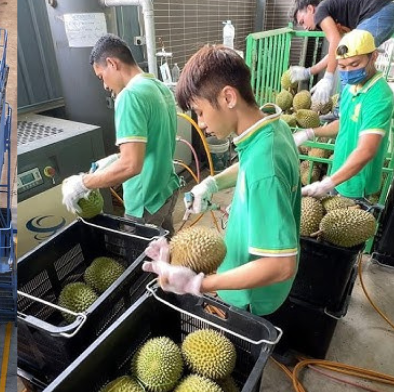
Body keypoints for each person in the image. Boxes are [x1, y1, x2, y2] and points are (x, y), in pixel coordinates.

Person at [143, 45, 301, 316]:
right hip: (243, 268)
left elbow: (280, 265)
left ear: (228, 97)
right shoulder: (274, 128)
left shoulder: (266, 166)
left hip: (252, 296)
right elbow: (250, 166)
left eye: (200, 111)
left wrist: (200, 283)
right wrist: (212, 183)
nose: (200, 123)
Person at [61, 34, 181, 236]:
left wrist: (82, 184)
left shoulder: (129, 96)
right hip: (166, 190)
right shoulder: (160, 88)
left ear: (111, 63)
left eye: (101, 77)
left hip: (145, 202)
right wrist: (113, 160)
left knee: (140, 263)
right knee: (166, 252)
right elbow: (154, 143)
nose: (105, 86)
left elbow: (131, 165)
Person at [296, 30, 393, 199]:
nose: (348, 71)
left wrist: (328, 182)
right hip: (340, 172)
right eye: (342, 66)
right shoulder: (350, 87)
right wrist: (311, 132)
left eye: (355, 65)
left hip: (358, 185)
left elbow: (367, 150)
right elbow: (344, 122)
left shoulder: (379, 96)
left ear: (374, 57)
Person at [289, 0, 394, 106]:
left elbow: (336, 42)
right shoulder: (332, 15)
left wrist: (328, 77)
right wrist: (309, 72)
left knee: (349, 61)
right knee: (350, 60)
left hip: (380, 12)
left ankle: (341, 112)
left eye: (302, 21)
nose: (305, 27)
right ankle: (347, 109)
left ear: (310, 9)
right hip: (384, 13)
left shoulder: (320, 11)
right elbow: (338, 51)